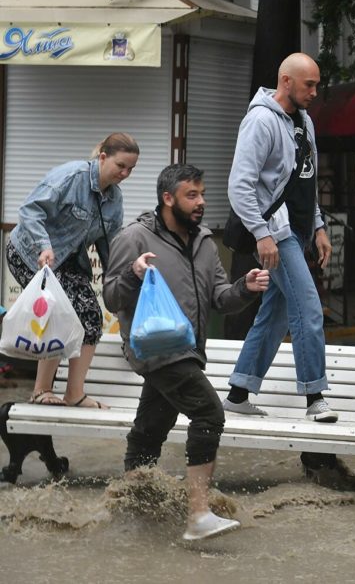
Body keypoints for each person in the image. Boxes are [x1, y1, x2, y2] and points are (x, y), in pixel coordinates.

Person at [103, 164, 269, 541]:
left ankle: (132, 508)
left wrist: (246, 286)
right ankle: (198, 514)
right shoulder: (135, 238)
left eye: (202, 194)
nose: (201, 202)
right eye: (191, 195)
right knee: (209, 412)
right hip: (155, 349)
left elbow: (221, 300)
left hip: (188, 350)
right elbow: (112, 298)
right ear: (168, 198)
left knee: (149, 432)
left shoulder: (205, 243)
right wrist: (133, 272)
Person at [222, 52, 338, 423]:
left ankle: (239, 392)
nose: (315, 92)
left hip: (300, 230)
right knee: (308, 308)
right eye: (310, 84)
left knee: (275, 314)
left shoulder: (304, 121)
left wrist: (318, 226)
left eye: (317, 84)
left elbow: (307, 179)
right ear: (286, 81)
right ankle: (315, 396)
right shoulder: (260, 121)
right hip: (276, 233)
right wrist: (261, 233)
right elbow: (239, 186)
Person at [4, 133, 140, 409]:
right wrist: (44, 245)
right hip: (29, 252)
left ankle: (74, 394)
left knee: (90, 315)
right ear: (103, 157)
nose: (125, 173)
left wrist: (125, 275)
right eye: (120, 166)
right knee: (58, 311)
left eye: (131, 169)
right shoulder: (70, 177)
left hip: (67, 262)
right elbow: (29, 210)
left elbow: (109, 245)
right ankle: (41, 390)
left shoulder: (114, 199)